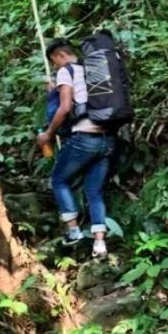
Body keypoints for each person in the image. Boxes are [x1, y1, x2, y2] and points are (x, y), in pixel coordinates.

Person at [37, 39, 115, 258]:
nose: (55, 67)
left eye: (54, 62)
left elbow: (65, 108)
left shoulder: (66, 71)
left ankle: (74, 231)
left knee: (59, 180)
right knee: (94, 191)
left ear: (60, 56)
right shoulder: (92, 69)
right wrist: (55, 90)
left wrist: (48, 134)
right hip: (107, 138)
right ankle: (99, 244)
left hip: (85, 138)